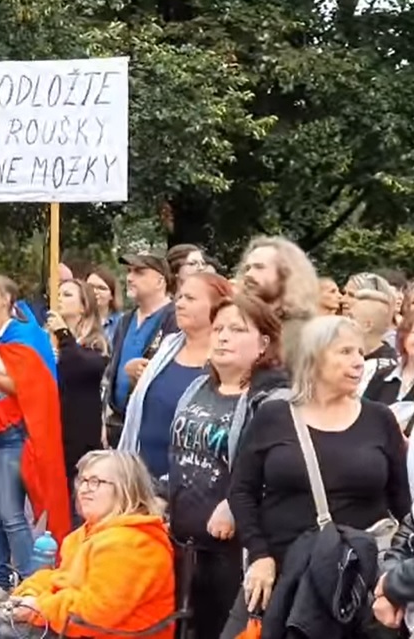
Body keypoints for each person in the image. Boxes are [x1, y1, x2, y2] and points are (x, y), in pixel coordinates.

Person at [225, 316, 411, 637]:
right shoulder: (275, 416)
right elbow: (242, 491)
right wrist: (259, 556)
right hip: (280, 572)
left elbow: (402, 503)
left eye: (359, 353)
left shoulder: (380, 419)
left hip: (352, 582)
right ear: (314, 356)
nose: (358, 362)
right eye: (345, 352)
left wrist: (394, 572)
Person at [167, 293, 287, 638]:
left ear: (263, 343)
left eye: (237, 329)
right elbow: (179, 454)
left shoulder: (272, 401)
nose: (222, 336)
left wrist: (234, 504)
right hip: (186, 542)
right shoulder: (197, 387)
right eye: (218, 328)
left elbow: (277, 475)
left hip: (235, 552)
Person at [0, 274, 71, 610]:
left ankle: (28, 582)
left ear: (7, 299)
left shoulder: (25, 336)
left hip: (14, 431)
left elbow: (31, 388)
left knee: (10, 512)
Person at [0, 451, 175, 639]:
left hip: (111, 632)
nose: (84, 489)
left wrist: (37, 608)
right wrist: (29, 594)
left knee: (7, 634)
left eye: (96, 482)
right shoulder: (91, 533)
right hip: (85, 628)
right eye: (83, 481)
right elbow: (59, 579)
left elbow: (96, 612)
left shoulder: (133, 544)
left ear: (125, 489)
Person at [118, 273, 233, 479]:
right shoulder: (167, 348)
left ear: (218, 307)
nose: (179, 304)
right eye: (179, 297)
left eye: (190, 299)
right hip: (141, 477)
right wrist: (138, 376)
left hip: (193, 484)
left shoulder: (228, 362)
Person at [46, 279, 109, 521]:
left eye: (68, 294)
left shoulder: (95, 343)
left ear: (84, 306)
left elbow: (80, 367)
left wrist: (63, 334)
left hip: (79, 433)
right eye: (58, 293)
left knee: (77, 503)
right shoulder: (49, 339)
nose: (60, 298)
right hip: (54, 428)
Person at [101, 253, 178, 448]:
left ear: (160, 281)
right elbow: (110, 373)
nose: (129, 278)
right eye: (128, 272)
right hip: (118, 423)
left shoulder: (174, 319)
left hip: (152, 427)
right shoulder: (125, 320)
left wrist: (145, 373)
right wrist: (104, 419)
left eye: (139, 272)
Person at [236, 235, 318, 370]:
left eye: (259, 267)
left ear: (286, 274)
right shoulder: (237, 323)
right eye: (247, 268)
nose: (249, 274)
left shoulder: (304, 334)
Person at [350, 288, 398, 394]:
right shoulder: (352, 357)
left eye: (351, 317)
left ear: (367, 326)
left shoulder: (382, 371)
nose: (345, 322)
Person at [86, 266, 123, 344]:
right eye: (90, 286)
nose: (95, 291)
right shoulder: (76, 318)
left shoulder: (122, 322)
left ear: (112, 295)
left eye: (101, 288)